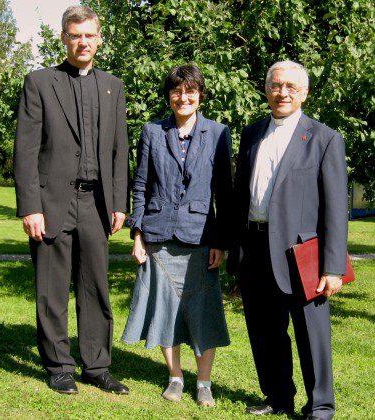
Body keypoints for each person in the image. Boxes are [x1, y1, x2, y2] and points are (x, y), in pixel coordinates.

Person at [14, 6, 129, 395]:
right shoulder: (39, 82)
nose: (83, 42)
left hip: (96, 205)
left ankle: (97, 365)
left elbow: (119, 151)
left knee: (96, 287)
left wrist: (119, 203)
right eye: (75, 35)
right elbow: (25, 151)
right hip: (50, 203)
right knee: (52, 289)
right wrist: (30, 206)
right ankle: (59, 366)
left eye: (90, 35)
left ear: (99, 39)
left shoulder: (114, 86)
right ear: (64, 38)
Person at [228, 60, 348, 419]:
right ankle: (278, 397)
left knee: (312, 336)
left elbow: (335, 209)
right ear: (266, 89)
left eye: (291, 87)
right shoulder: (251, 134)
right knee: (265, 332)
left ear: (304, 92)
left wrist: (333, 268)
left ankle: (321, 406)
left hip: (303, 254)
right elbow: (239, 195)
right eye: (276, 85)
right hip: (254, 247)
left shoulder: (325, 138)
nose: (282, 93)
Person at [122, 65, 232, 407]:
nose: (183, 98)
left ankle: (204, 383)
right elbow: (140, 184)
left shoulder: (217, 133)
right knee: (165, 309)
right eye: (176, 91)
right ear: (169, 95)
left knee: (203, 311)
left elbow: (224, 193)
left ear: (199, 95)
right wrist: (137, 233)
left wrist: (221, 241)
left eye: (190, 92)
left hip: (200, 237)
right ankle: (174, 377)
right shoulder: (152, 131)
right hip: (158, 233)